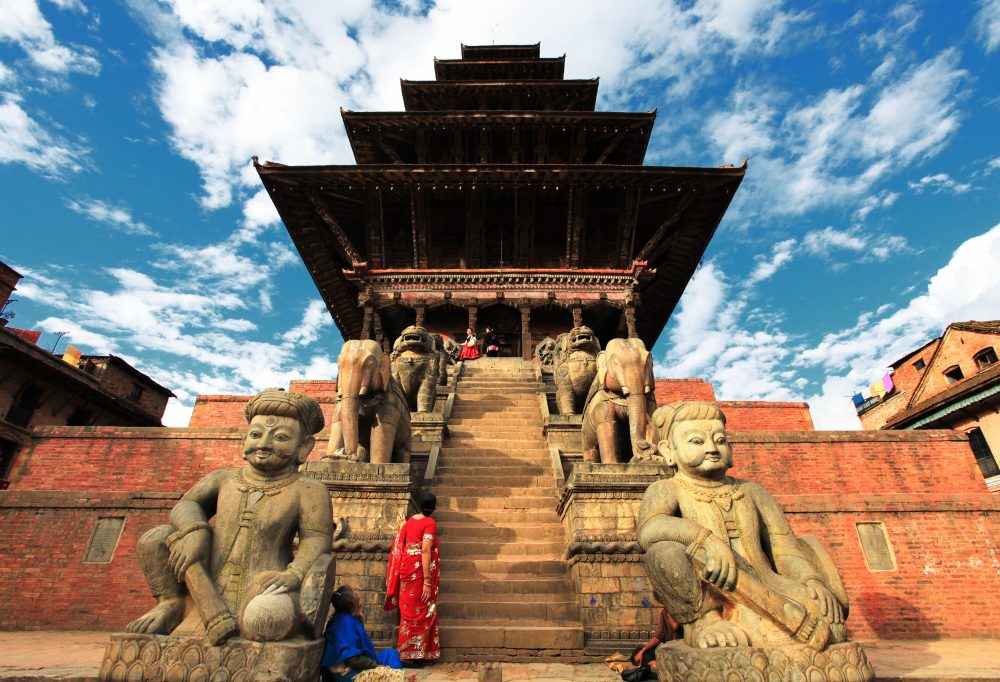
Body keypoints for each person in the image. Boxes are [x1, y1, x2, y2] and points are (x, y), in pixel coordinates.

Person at [637, 402, 848, 649]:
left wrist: (812, 580)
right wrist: (706, 540)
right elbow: (649, 528)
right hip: (712, 592)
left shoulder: (751, 491)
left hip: (768, 585)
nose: (712, 448)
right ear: (668, 450)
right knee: (662, 552)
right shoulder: (667, 489)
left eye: (720, 440)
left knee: (832, 626)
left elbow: (784, 549)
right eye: (697, 441)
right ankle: (704, 622)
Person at [384, 492, 440, 664]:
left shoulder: (408, 524)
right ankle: (415, 654)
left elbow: (404, 538)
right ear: (434, 508)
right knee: (421, 606)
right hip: (418, 570)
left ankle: (407, 652)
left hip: (406, 568)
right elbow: (425, 550)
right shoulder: (429, 523)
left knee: (409, 606)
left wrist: (402, 525)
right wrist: (427, 581)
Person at [322, 586, 403, 682]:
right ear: (352, 604)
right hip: (348, 671)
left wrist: (358, 617)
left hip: (359, 662)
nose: (358, 595)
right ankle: (395, 677)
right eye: (355, 594)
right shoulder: (344, 622)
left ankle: (395, 676)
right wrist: (376, 665)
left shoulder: (349, 618)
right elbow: (352, 659)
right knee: (390, 672)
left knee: (391, 654)